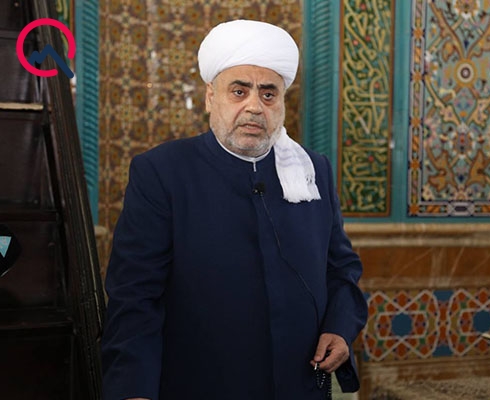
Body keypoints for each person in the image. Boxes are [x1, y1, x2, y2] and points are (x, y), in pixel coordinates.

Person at [100, 19, 368, 400]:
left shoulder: (313, 171)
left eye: (268, 94)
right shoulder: (162, 173)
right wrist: (134, 391)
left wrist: (340, 327)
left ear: (282, 103)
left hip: (301, 386)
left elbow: (341, 269)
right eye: (239, 91)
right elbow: (135, 299)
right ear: (211, 97)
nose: (254, 106)